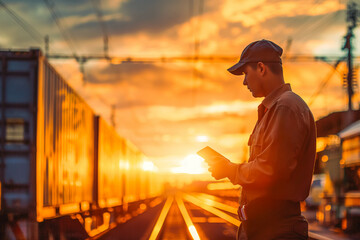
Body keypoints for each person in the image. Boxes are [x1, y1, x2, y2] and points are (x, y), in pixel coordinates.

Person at [207, 39, 316, 240]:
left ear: (261, 68)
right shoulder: (274, 110)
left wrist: (229, 169)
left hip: (277, 230)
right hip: (268, 228)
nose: (244, 81)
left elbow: (270, 171)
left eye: (246, 73)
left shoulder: (285, 107)